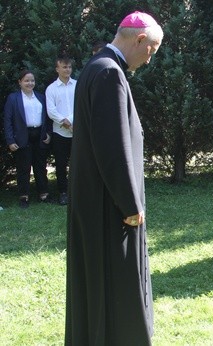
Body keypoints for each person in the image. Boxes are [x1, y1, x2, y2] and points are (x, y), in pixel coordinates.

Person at [65, 11, 163, 345]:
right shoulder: (109, 73)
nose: (149, 59)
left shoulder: (97, 67)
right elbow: (113, 146)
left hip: (96, 196)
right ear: (139, 40)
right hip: (109, 203)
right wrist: (130, 203)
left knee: (97, 277)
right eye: (151, 50)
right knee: (115, 278)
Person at [4, 70, 52, 208]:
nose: (30, 83)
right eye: (26, 80)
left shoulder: (40, 97)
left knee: (40, 167)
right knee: (23, 168)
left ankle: (44, 194)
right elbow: (7, 120)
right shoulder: (13, 98)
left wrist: (49, 134)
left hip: (40, 136)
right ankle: (23, 197)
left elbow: (47, 118)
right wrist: (10, 140)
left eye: (32, 80)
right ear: (20, 82)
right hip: (22, 137)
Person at [46, 56, 76, 205]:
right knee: (61, 164)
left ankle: (78, 191)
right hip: (60, 134)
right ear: (57, 69)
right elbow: (51, 111)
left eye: (69, 67)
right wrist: (65, 123)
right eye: (64, 67)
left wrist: (70, 120)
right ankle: (63, 192)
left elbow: (82, 105)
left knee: (79, 163)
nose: (67, 70)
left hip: (77, 131)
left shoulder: (77, 85)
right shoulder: (51, 89)